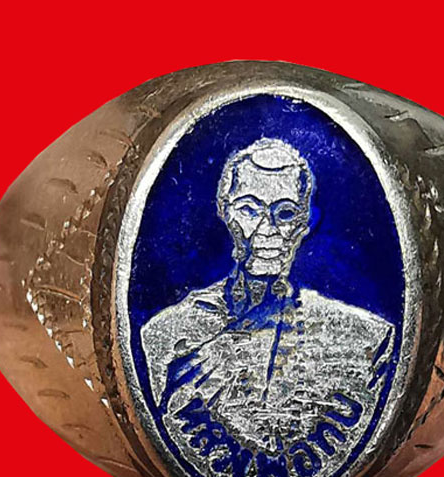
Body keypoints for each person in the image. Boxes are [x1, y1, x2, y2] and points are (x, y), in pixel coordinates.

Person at [141, 138, 395, 455]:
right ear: (225, 213)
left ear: (305, 223)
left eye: (285, 213)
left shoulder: (365, 338)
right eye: (249, 210)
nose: (267, 228)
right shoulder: (166, 334)